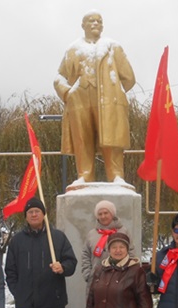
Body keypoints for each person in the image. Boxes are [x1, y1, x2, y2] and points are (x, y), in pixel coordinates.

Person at [54, 11, 136, 183]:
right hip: (80, 98)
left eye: (99, 21)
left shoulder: (113, 47)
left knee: (111, 140)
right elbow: (59, 77)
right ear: (83, 25)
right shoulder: (73, 49)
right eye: (91, 21)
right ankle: (84, 175)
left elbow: (129, 78)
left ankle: (116, 176)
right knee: (82, 139)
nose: (96, 24)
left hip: (107, 101)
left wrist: (115, 93)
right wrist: (68, 92)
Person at [81, 200, 133, 293]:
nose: (103, 216)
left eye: (106, 213)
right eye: (100, 214)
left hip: (121, 280)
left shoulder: (123, 231)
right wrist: (88, 274)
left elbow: (131, 252)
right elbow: (85, 254)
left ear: (112, 214)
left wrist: (130, 274)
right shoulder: (92, 234)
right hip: (96, 279)